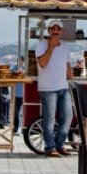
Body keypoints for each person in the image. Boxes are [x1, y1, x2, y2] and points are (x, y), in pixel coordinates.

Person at [36, 21, 72, 158]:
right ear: (49, 30)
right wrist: (51, 46)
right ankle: (49, 147)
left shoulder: (66, 47)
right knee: (49, 119)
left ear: (62, 31)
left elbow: (68, 66)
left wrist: (70, 81)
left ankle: (59, 144)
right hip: (48, 88)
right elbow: (43, 63)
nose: (56, 31)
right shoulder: (41, 45)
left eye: (58, 29)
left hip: (63, 86)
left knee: (68, 117)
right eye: (53, 28)